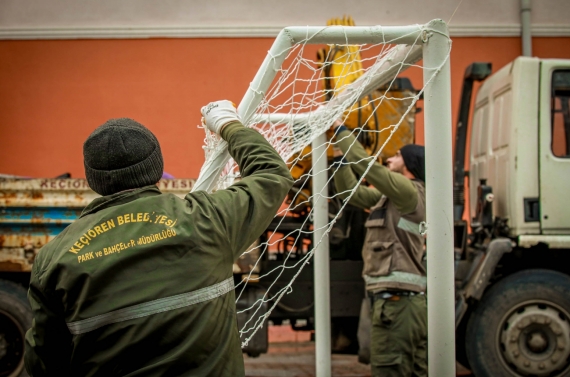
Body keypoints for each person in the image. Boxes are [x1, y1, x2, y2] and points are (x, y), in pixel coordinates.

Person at [24, 100, 293, 376]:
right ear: (157, 168)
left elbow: (44, 364)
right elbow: (271, 174)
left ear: (93, 180)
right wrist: (227, 125)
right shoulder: (207, 219)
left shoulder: (53, 260)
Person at [332, 122, 427, 377]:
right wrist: (340, 155)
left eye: (397, 155)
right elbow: (351, 194)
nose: (390, 158)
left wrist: (341, 131)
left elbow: (368, 168)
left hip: (397, 304)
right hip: (397, 303)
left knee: (390, 369)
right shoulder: (394, 197)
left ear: (409, 164)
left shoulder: (408, 191)